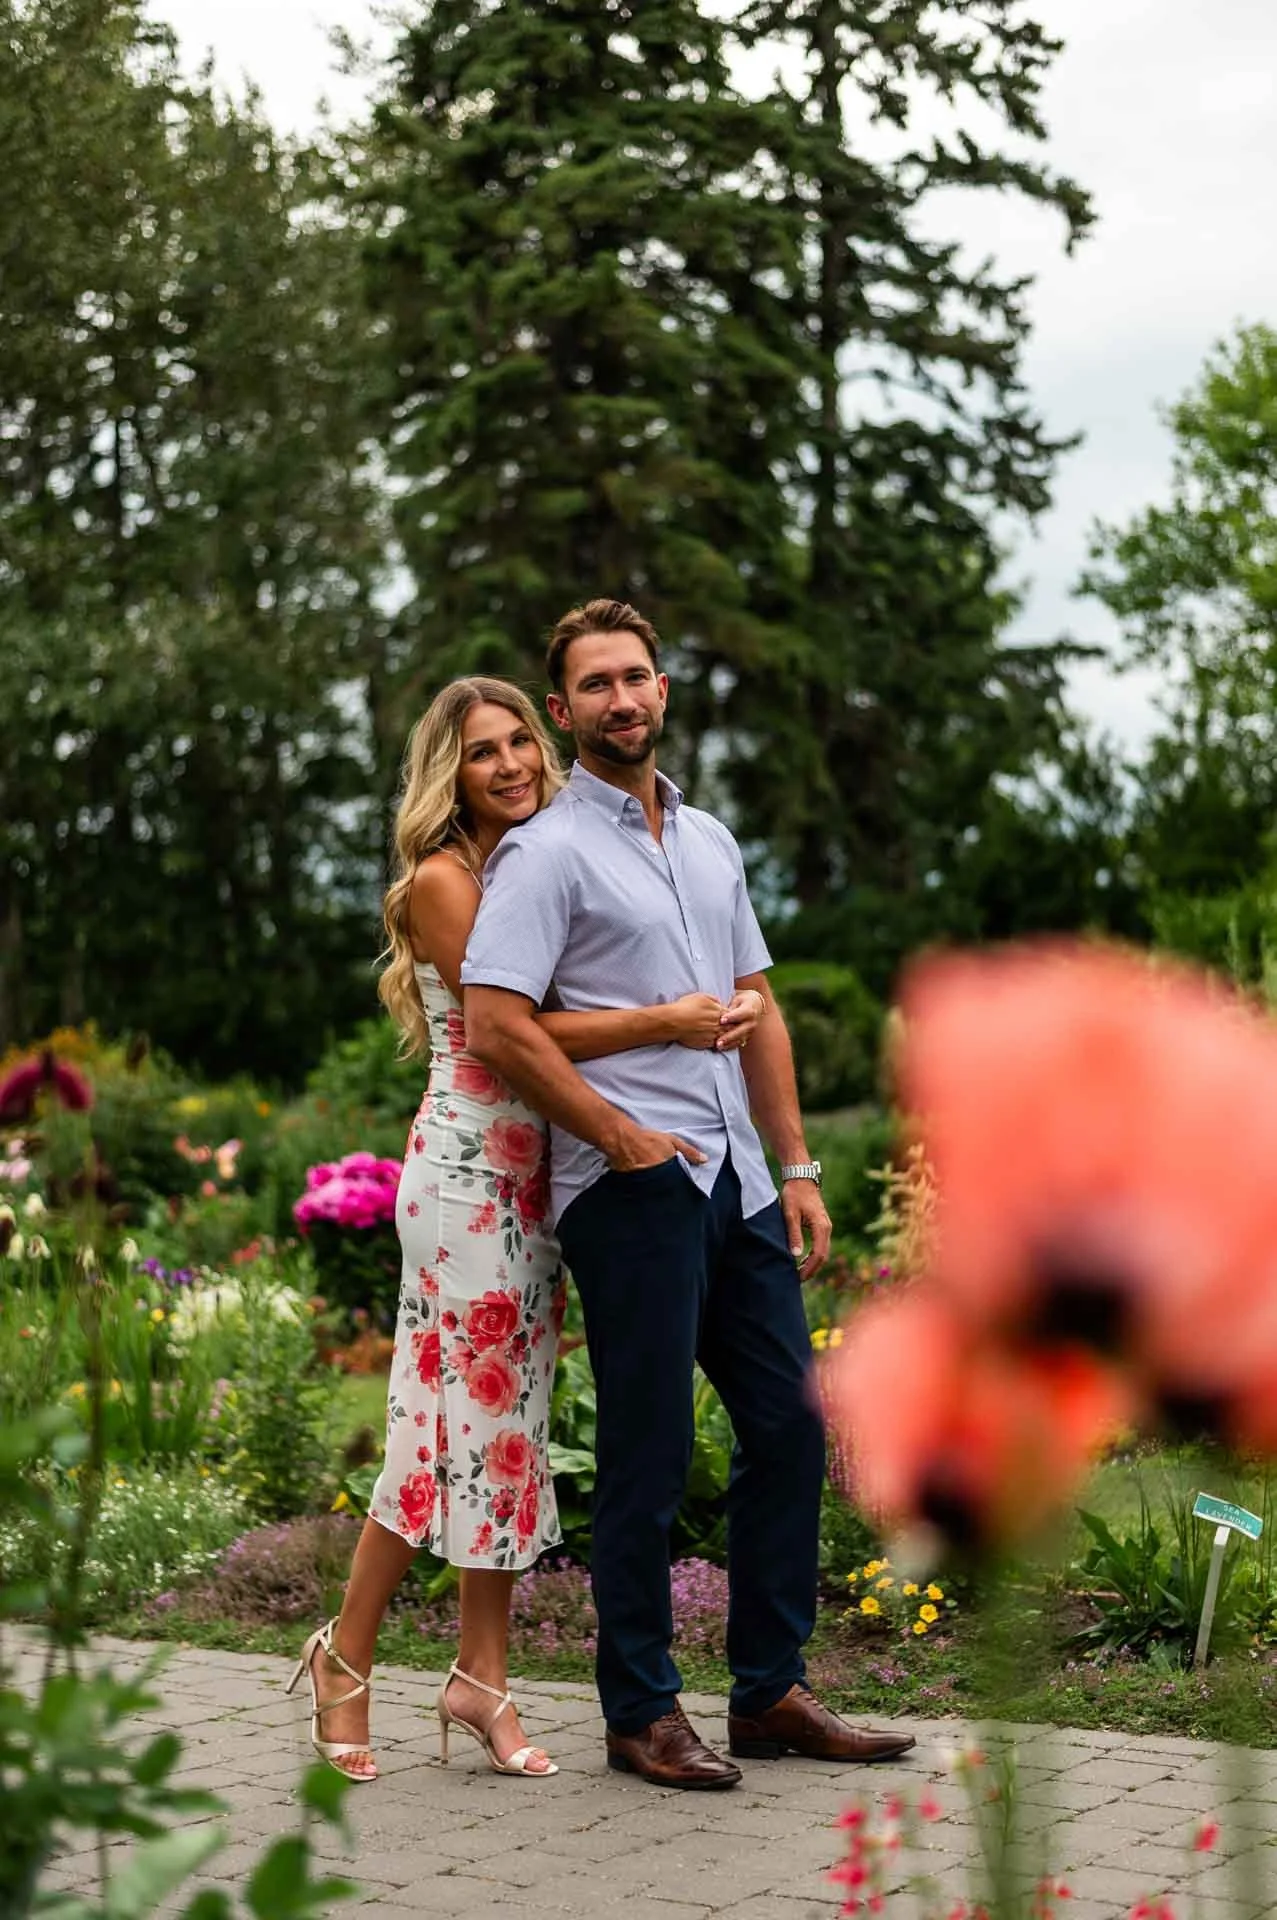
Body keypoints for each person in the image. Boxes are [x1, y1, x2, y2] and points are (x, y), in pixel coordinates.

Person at [462, 601, 917, 1789]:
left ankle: (767, 1692)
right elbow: (497, 1025)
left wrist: (797, 1164)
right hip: (632, 1188)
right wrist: (616, 1136)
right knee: (650, 1454)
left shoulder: (709, 841)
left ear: (662, 692)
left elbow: (753, 1007)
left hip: (740, 1186)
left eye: (637, 679)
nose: (622, 700)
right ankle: (640, 1713)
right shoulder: (543, 850)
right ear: (560, 713)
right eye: (594, 686)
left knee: (787, 1428)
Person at [287, 675, 762, 1782]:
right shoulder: (444, 884)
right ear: (443, 776)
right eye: (478, 753)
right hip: (465, 1180)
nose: (505, 766)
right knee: (443, 1432)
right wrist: (669, 1019)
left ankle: (480, 1678)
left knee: (507, 1436)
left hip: (538, 1174)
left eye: (516, 745)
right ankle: (342, 1657)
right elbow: (519, 1030)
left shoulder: (532, 859)